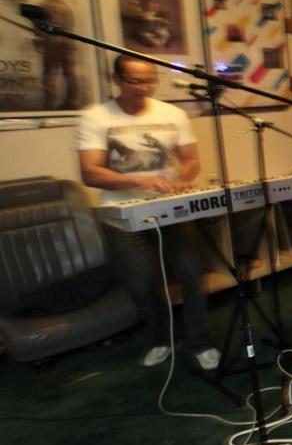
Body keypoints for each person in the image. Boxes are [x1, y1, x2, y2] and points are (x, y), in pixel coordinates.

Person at [76, 55, 220, 370]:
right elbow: (91, 173)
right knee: (141, 282)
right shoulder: (96, 118)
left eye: (148, 80)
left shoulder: (174, 114)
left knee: (191, 274)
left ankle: (201, 341)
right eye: (134, 81)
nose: (143, 88)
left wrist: (179, 181)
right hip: (122, 211)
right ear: (116, 80)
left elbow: (191, 160)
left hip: (171, 207)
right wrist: (140, 180)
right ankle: (162, 339)